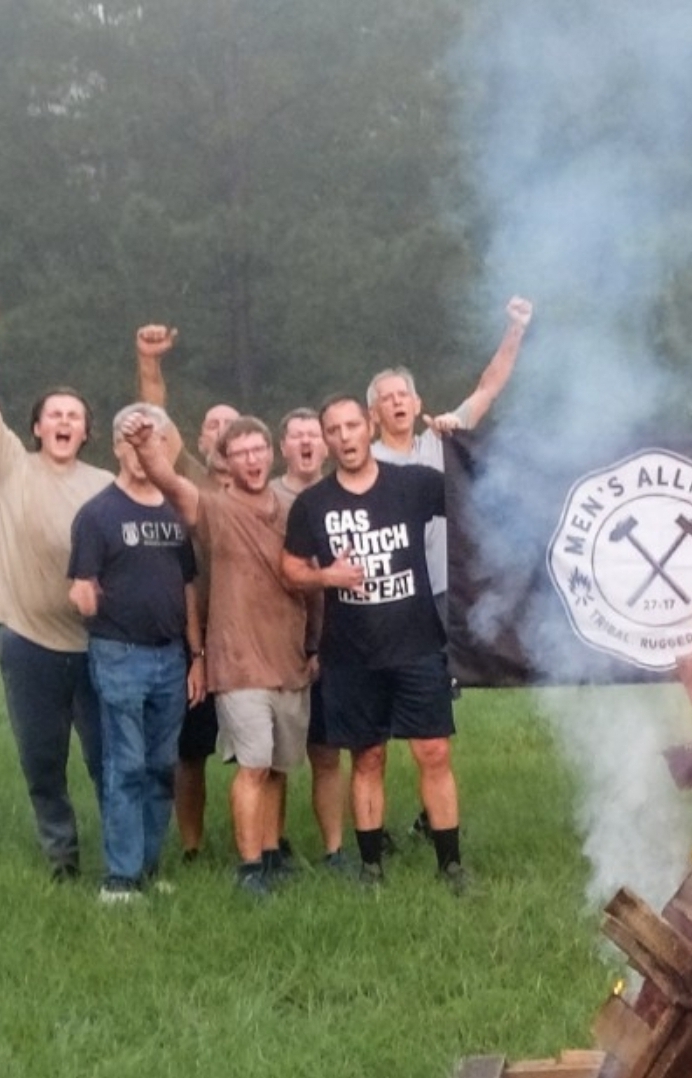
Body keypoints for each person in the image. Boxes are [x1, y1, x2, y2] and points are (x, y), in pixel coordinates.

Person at [128, 410, 321, 895]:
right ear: (225, 461)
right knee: (253, 765)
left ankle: (272, 853)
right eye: (240, 453)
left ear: (271, 454)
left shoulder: (292, 510)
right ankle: (250, 869)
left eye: (258, 450)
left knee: (278, 767)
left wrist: (315, 645)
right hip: (238, 662)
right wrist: (147, 446)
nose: (251, 460)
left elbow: (312, 582)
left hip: (289, 659)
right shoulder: (213, 509)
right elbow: (171, 483)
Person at [280, 394, 468, 892]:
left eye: (352, 426)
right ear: (326, 440)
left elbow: (470, 488)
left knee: (434, 752)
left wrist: (455, 438)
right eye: (334, 430)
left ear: (369, 425)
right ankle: (370, 868)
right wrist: (327, 576)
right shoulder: (313, 504)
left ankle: (451, 865)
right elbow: (290, 567)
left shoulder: (413, 484)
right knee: (367, 758)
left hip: (417, 645)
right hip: (352, 655)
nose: (345, 437)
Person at [0, 296, 115, 881]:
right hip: (28, 643)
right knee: (43, 762)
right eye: (54, 414)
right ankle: (62, 859)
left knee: (108, 760)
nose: (64, 422)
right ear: (36, 427)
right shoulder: (11, 467)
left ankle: (124, 859)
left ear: (86, 431)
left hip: (98, 646)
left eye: (74, 416)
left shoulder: (106, 487)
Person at [69, 403, 203, 902]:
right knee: (125, 765)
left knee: (162, 766)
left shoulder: (175, 512)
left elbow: (188, 587)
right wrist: (84, 597)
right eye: (131, 442)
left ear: (165, 448)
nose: (141, 452)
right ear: (117, 448)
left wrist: (197, 656)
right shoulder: (97, 514)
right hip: (119, 654)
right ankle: (119, 878)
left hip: (171, 658)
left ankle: (147, 867)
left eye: (153, 441)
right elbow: (82, 582)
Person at [366, 295, 534, 630]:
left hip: (447, 590)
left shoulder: (440, 440)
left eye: (403, 395)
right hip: (395, 597)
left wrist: (515, 328)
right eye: (387, 398)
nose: (397, 402)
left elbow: (487, 389)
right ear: (374, 414)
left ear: (417, 404)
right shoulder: (367, 462)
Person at [133, 329, 232, 864]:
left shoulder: (264, 489)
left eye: (232, 425)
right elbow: (153, 420)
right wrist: (149, 363)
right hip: (191, 636)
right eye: (213, 425)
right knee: (190, 752)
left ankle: (267, 841)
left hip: (247, 640)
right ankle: (192, 846)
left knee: (261, 753)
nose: (223, 432)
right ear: (199, 439)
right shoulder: (188, 478)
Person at [271, 405, 345, 868]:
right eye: (296, 435)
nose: (306, 442)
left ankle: (334, 850)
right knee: (274, 759)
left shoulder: (344, 493)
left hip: (336, 642)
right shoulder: (268, 498)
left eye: (313, 435)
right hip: (279, 644)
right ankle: (272, 846)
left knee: (327, 753)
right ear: (283, 447)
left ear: (326, 444)